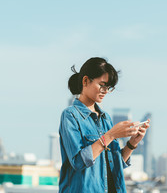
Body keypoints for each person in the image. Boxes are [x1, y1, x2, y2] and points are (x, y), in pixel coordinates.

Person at [58, 57, 150, 193]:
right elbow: (78, 162)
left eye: (109, 87)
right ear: (85, 81)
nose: (105, 90)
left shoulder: (105, 118)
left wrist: (132, 144)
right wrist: (111, 135)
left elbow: (113, 164)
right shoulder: (71, 115)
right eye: (102, 85)